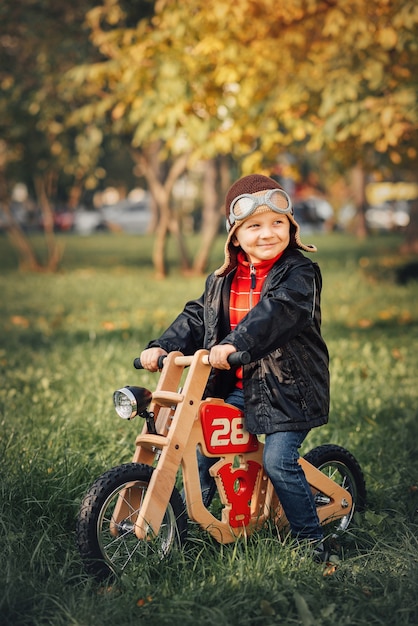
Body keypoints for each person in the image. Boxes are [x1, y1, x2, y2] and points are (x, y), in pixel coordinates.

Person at [140, 174, 330, 558]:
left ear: (291, 228)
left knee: (278, 462)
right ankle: (195, 526)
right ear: (235, 236)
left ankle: (313, 542)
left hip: (289, 390)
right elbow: (196, 317)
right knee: (204, 449)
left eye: (278, 223)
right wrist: (163, 346)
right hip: (238, 388)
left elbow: (276, 313)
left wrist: (234, 344)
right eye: (254, 226)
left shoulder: (299, 274)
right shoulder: (222, 279)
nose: (267, 234)